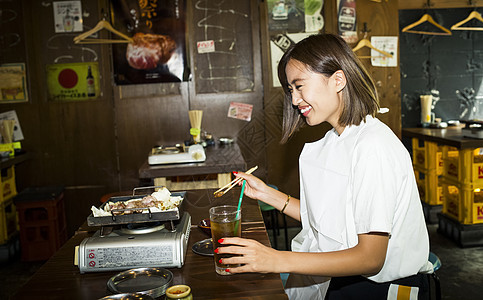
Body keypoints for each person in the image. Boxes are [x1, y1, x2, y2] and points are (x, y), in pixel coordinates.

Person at [216, 33, 433, 299]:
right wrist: (266, 194)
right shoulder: (335, 139)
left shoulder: (373, 145)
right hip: (347, 280)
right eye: (290, 90)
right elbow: (328, 219)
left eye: (299, 86)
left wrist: (275, 260)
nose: (295, 100)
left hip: (382, 288)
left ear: (338, 80)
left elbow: (370, 258)